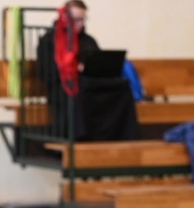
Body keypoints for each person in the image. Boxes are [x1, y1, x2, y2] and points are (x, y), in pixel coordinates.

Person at [36, 0, 138, 141]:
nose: (81, 24)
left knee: (122, 86)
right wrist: (72, 68)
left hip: (90, 82)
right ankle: (81, 136)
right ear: (65, 18)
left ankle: (121, 135)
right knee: (79, 89)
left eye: (83, 19)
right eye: (77, 19)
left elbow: (98, 64)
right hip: (63, 88)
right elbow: (45, 72)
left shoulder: (88, 40)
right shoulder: (49, 40)